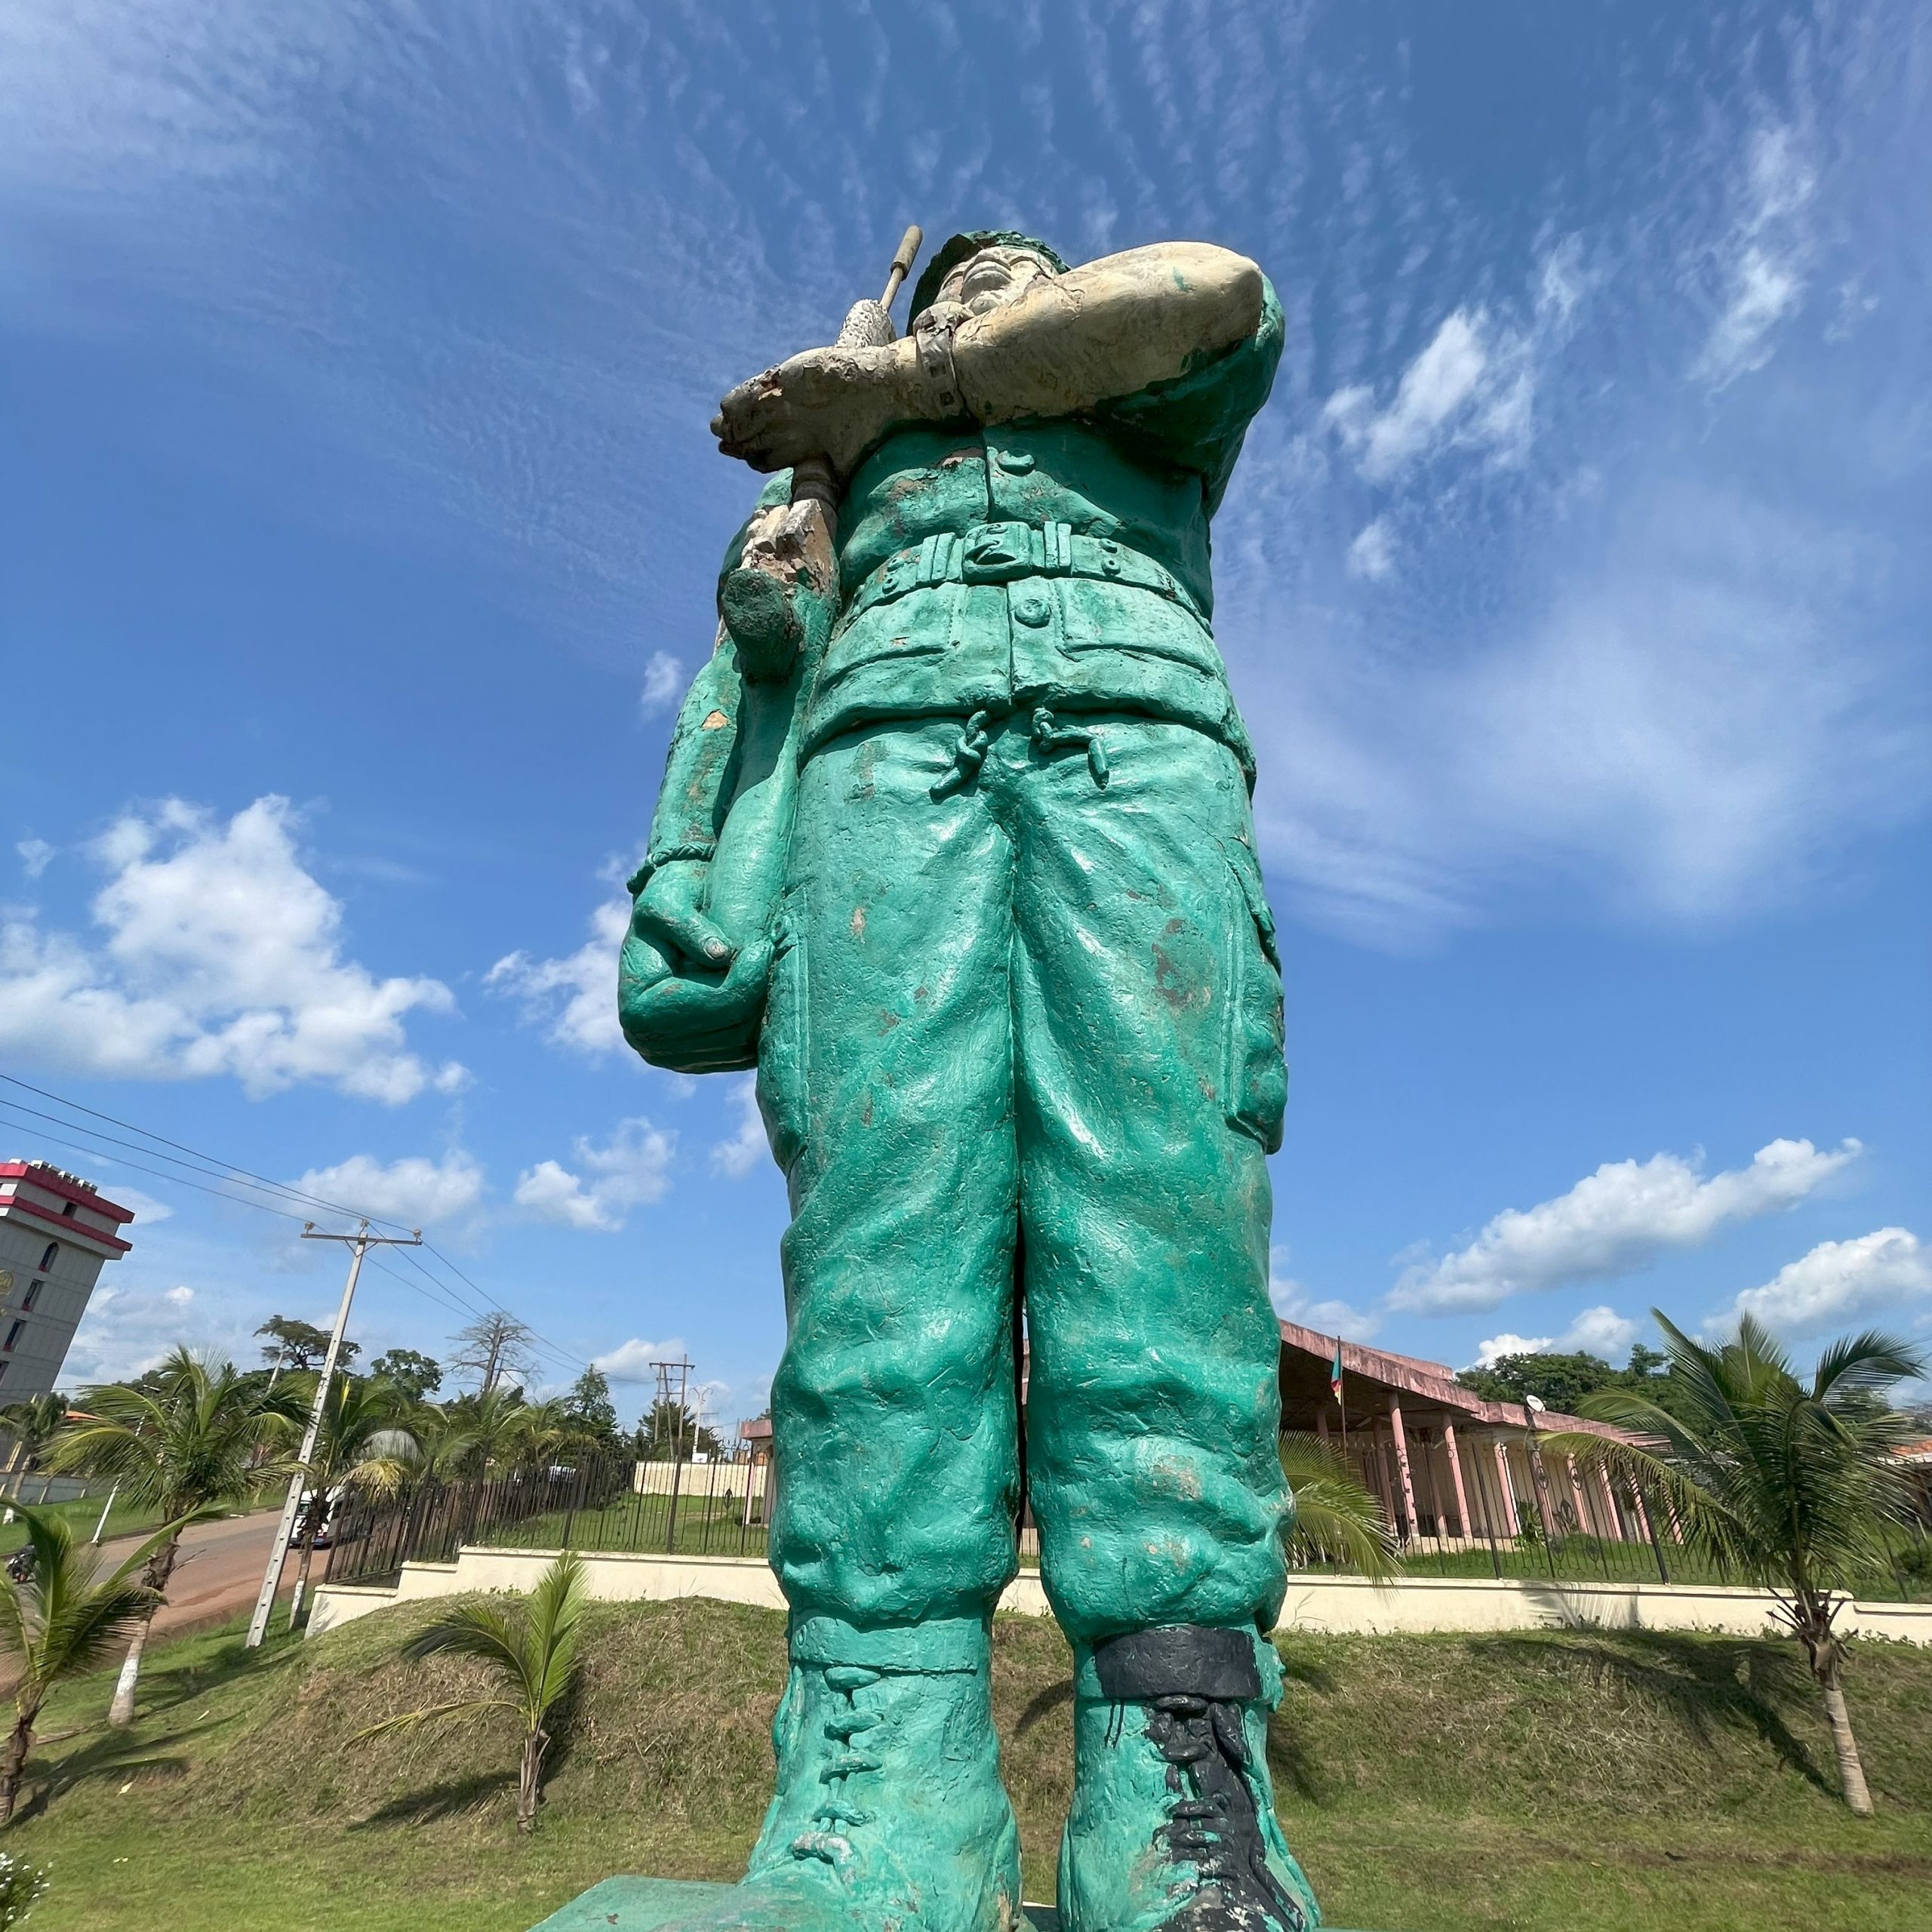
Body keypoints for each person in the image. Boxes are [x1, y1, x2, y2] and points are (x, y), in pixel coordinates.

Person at [624, 231, 1316, 1932]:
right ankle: (881, 1774)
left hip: (1135, 751)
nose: (979, 287)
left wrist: (889, 388)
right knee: (886, 1228)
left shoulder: (1130, 394)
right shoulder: (839, 476)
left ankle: (1179, 1780)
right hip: (877, 776)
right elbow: (751, 678)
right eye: (951, 283)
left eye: (1011, 270)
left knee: (1161, 1219)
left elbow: (1212, 294)